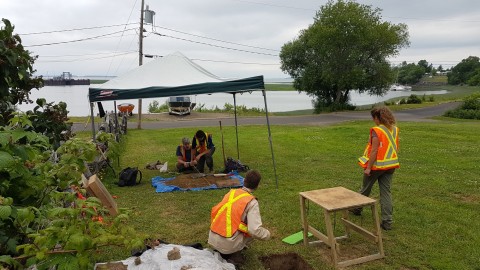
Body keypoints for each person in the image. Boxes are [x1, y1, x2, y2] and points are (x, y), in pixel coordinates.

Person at [208, 170, 271, 266]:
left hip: (213, 237)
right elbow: (254, 230)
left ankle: (225, 249)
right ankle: (233, 254)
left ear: (244, 180)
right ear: (257, 186)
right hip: (227, 243)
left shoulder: (231, 193)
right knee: (249, 231)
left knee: (239, 223)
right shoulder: (251, 202)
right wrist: (267, 234)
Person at [353, 106, 400, 231]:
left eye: (373, 118)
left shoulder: (376, 130)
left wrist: (368, 168)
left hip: (376, 166)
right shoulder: (394, 129)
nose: (373, 120)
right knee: (386, 193)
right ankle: (387, 222)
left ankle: (357, 209)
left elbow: (374, 151)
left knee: (365, 189)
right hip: (391, 166)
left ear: (377, 118)